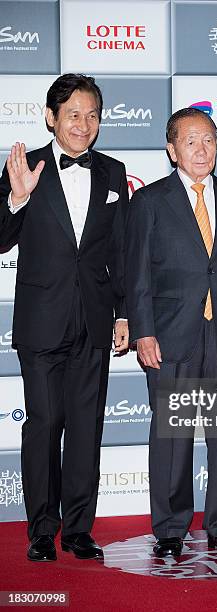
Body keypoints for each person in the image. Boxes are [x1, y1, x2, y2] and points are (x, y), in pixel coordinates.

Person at [125, 107, 217, 557]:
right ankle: (170, 528)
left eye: (209, 139)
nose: (202, 149)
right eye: (190, 141)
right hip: (170, 338)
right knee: (171, 436)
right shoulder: (149, 202)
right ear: (171, 149)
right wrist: (143, 332)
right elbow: (138, 276)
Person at [0, 74, 129, 562]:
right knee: (43, 424)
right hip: (41, 320)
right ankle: (40, 530)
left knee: (84, 428)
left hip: (94, 322)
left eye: (93, 114)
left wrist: (124, 314)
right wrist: (18, 198)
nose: (84, 123)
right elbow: (1, 236)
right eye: (73, 113)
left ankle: (77, 529)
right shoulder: (24, 166)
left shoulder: (114, 173)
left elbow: (121, 250)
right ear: (51, 117)